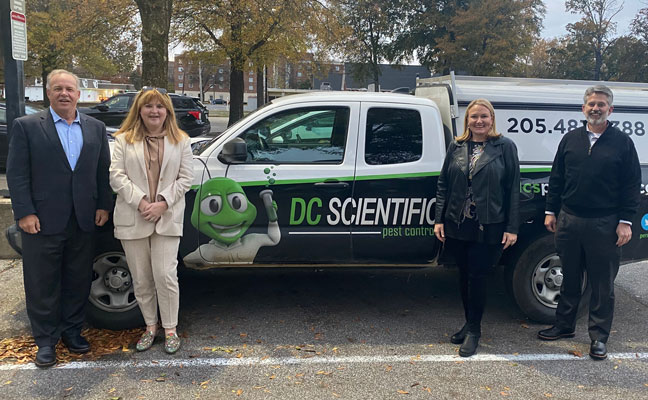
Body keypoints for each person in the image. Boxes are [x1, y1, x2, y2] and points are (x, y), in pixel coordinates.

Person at [6, 69, 112, 368]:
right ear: (48, 94)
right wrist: (24, 212)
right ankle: (46, 340)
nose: (64, 93)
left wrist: (103, 205)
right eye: (57, 89)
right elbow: (17, 174)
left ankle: (72, 332)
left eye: (69, 89)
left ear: (79, 94)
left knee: (77, 279)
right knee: (42, 282)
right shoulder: (26, 126)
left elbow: (101, 172)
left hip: (83, 218)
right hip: (41, 219)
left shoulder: (94, 127)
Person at [538, 85, 641, 360]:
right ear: (583, 108)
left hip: (605, 224)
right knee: (570, 277)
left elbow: (632, 186)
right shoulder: (570, 139)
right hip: (570, 220)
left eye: (601, 104)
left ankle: (598, 337)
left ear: (611, 109)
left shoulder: (623, 143)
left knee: (602, 284)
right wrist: (551, 211)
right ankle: (563, 326)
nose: (596, 108)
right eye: (591, 104)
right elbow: (557, 177)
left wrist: (625, 222)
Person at [109, 87, 194, 354]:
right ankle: (150, 327)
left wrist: (163, 203)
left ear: (167, 110)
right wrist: (143, 202)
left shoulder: (182, 141)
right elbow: (116, 176)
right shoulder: (123, 140)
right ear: (139, 110)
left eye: (159, 106)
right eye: (148, 106)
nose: (154, 111)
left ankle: (170, 328)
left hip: (167, 217)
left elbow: (186, 179)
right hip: (133, 216)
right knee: (142, 278)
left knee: (165, 275)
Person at [434, 98, 519, 357]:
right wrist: (439, 219)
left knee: (478, 277)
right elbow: (443, 184)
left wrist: (512, 227)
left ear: (492, 119)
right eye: (474, 117)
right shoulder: (456, 146)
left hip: (489, 224)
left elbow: (513, 188)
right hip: (457, 223)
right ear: (466, 120)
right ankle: (468, 323)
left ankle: (474, 332)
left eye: (484, 116)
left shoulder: (504, 147)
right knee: (462, 276)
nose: (479, 121)